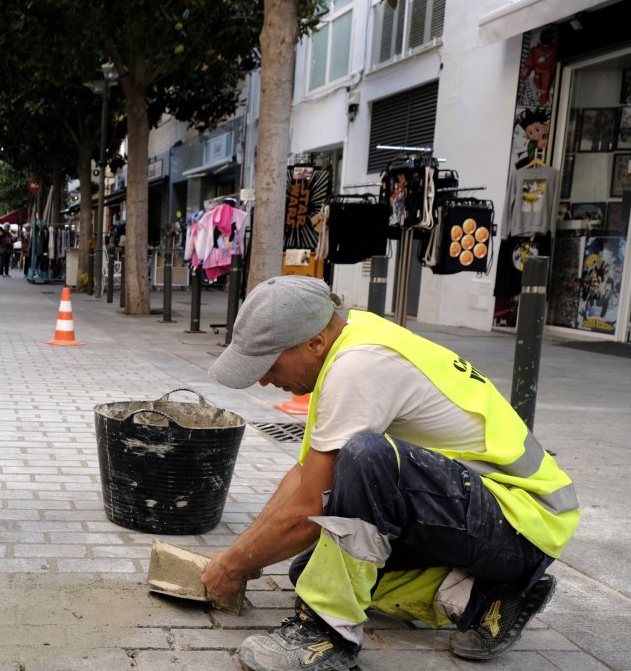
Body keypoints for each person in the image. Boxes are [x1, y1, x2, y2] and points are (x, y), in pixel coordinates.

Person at [203, 276, 578, 671]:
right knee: (308, 570)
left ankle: (328, 635)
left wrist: (232, 568)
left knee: (366, 458)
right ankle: (484, 597)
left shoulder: (358, 367)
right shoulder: (346, 347)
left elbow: (308, 511)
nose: (264, 379)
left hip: (524, 523)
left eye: (270, 364)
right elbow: (303, 478)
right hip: (479, 512)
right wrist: (238, 554)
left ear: (314, 342)